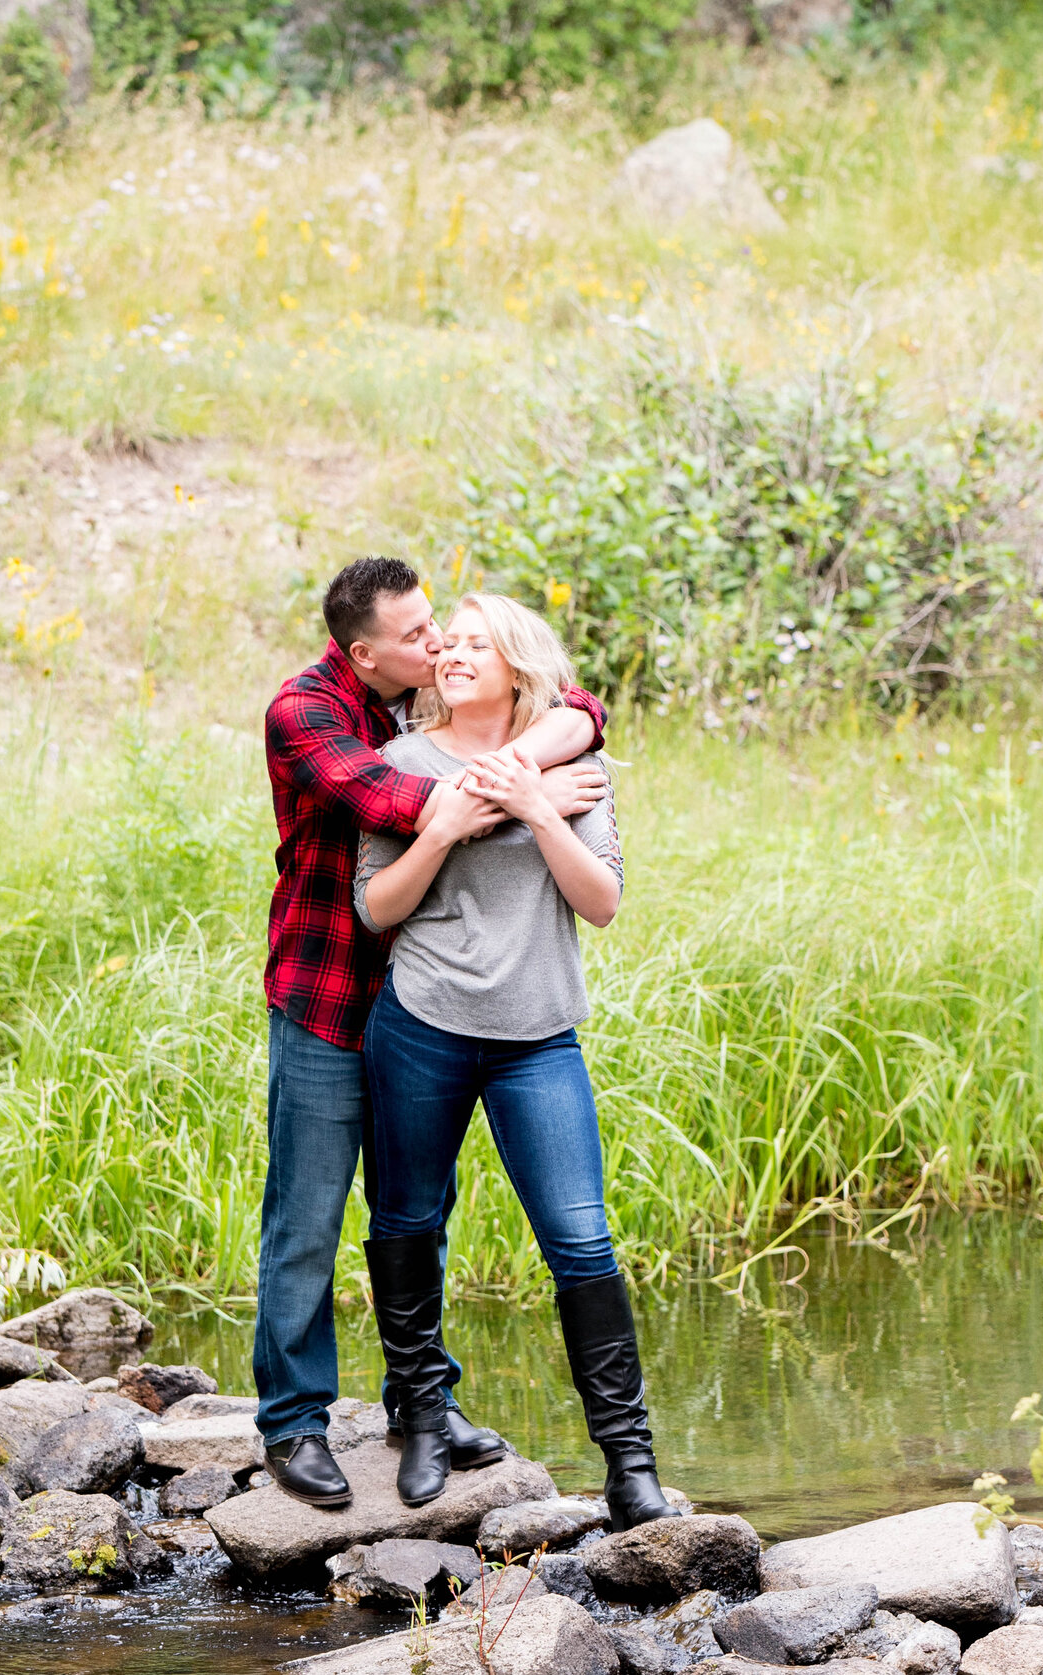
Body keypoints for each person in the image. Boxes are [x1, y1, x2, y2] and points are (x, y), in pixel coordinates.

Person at [256, 557, 611, 1509]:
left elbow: (577, 701)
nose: (439, 644)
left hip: (426, 1000)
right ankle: (293, 1421)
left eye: (442, 631)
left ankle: (423, 1400)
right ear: (362, 650)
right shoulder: (308, 713)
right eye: (420, 637)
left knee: (419, 1209)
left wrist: (531, 754)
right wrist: (519, 784)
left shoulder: (420, 706)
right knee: (310, 1213)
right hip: (334, 992)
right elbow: (397, 801)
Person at [353, 592, 679, 1530]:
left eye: (473, 645)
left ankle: (630, 1464)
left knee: (580, 1239)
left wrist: (536, 807)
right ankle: (421, 1417)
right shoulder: (400, 765)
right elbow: (379, 908)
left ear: (518, 661)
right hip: (423, 1018)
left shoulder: (575, 761)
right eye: (443, 646)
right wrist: (444, 827)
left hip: (539, 1033)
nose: (451, 656)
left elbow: (603, 901)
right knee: (407, 1215)